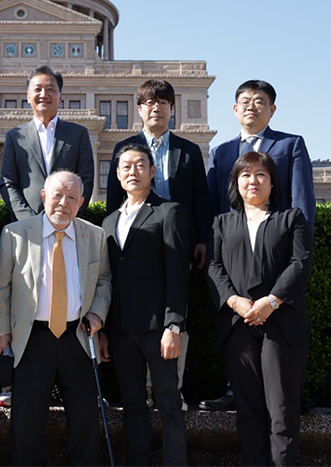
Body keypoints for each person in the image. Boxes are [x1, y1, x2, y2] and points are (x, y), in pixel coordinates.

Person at [201, 79, 315, 412]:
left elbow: (303, 202)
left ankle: (286, 393)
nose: (252, 106)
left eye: (260, 101)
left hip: (278, 247)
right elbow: (212, 204)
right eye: (246, 101)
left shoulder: (290, 145)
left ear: (272, 109)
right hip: (233, 250)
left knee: (280, 321)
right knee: (236, 323)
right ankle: (234, 389)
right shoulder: (221, 152)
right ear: (235, 109)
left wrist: (300, 247)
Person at [0, 170, 111, 466]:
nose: (63, 203)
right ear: (44, 196)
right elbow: (0, 287)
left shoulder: (94, 236)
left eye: (72, 197)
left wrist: (97, 314)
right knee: (27, 420)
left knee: (84, 417)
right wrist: (1, 332)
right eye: (57, 195)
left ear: (81, 202)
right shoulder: (15, 233)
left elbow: (104, 280)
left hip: (78, 337)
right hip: (31, 338)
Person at [106, 79, 211, 411]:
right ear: (139, 110)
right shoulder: (124, 150)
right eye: (149, 103)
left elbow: (200, 200)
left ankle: (170, 388)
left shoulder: (188, 151)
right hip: (137, 244)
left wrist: (202, 240)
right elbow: (112, 204)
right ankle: (138, 390)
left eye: (163, 103)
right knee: (136, 319)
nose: (156, 108)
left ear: (171, 110)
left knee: (177, 313)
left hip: (177, 243)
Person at [207, 151, 313, 466]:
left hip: (281, 327)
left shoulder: (290, 218)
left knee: (282, 412)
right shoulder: (222, 223)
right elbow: (213, 267)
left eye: (261, 175)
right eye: (245, 175)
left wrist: (272, 301)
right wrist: (234, 300)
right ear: (235, 182)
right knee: (249, 412)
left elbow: (300, 263)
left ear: (272, 182)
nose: (253, 181)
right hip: (238, 328)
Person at [99, 143, 190, 466]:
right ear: (118, 175)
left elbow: (178, 273)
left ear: (153, 172)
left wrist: (174, 325)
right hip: (121, 330)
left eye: (140, 165)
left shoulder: (169, 211)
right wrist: (105, 330)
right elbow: (106, 279)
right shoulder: (108, 222)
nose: (132, 172)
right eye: (125, 166)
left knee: (168, 404)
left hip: (159, 329)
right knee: (133, 405)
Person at [0, 66, 94, 221]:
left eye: (50, 89)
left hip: (66, 225)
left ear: (60, 96)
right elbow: (8, 183)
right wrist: (29, 220)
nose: (44, 95)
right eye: (38, 89)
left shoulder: (78, 134)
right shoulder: (15, 136)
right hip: (26, 227)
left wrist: (67, 216)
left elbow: (86, 181)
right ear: (28, 96)